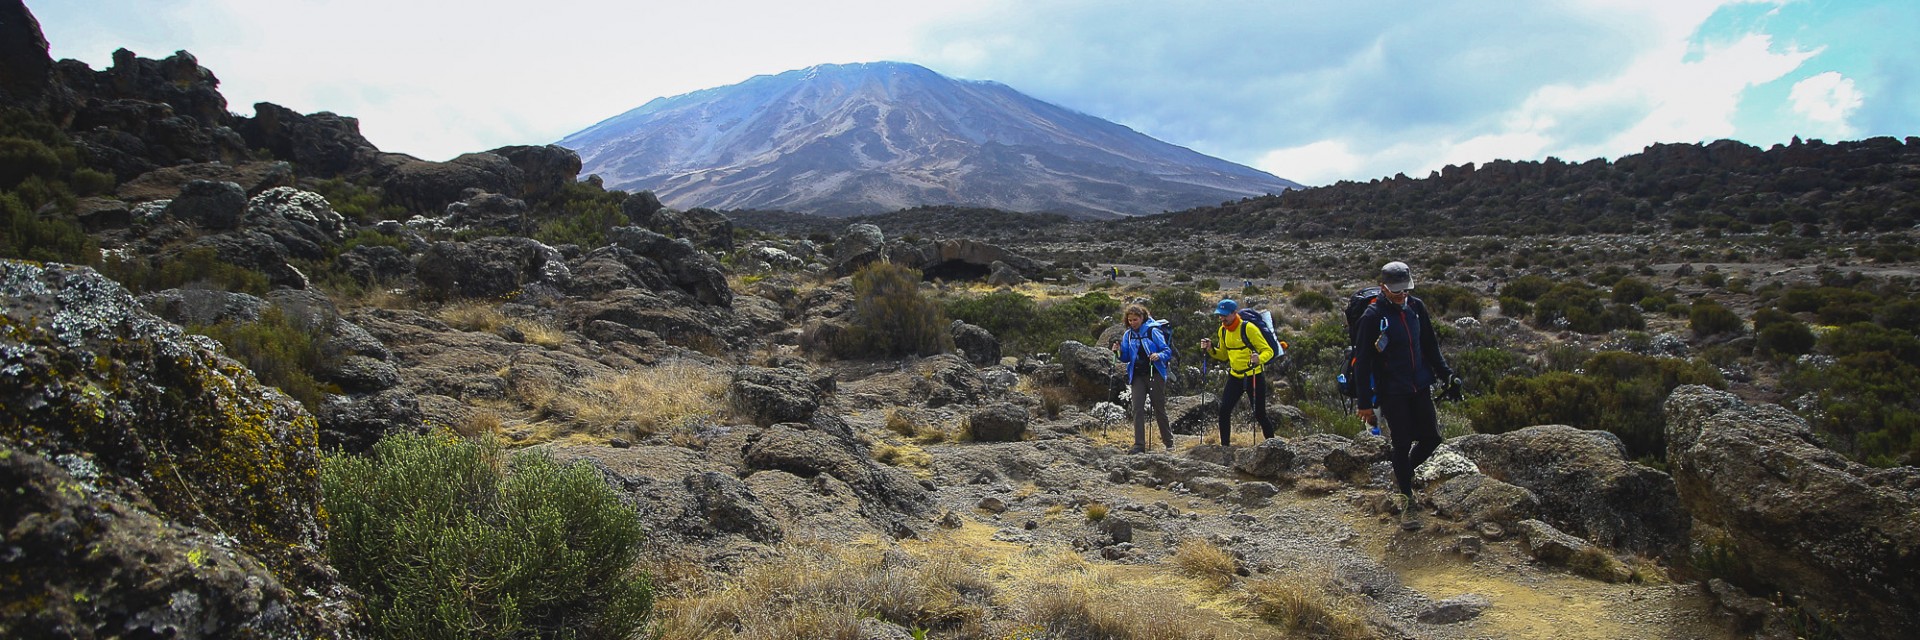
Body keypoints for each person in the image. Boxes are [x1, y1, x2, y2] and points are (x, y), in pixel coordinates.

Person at [1352, 261, 1460, 531]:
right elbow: (1362, 362)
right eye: (1395, 291)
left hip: (1419, 385)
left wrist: (1447, 374)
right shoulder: (1372, 317)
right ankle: (1407, 500)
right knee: (1401, 443)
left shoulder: (1416, 307)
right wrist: (1364, 403)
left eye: (1405, 290)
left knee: (1431, 438)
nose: (1401, 296)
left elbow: (1430, 346)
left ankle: (1402, 474)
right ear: (1383, 288)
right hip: (1392, 391)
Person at [1198, 299, 1275, 446]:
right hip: (1235, 376)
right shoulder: (1222, 330)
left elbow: (1268, 351)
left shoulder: (1249, 328)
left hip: (1254, 375)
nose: (1222, 318)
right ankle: (1225, 447)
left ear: (1234, 313)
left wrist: (1259, 358)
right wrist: (1211, 349)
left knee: (1259, 414)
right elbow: (1224, 355)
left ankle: (1273, 446)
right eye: (1220, 315)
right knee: (1224, 411)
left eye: (1225, 315)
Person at [1111, 304, 1174, 453]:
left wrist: (1158, 356)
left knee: (1159, 408)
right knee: (1137, 408)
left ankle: (1169, 442)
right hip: (1137, 375)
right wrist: (1118, 352)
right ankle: (1139, 445)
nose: (1133, 323)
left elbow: (1167, 350)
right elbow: (1126, 357)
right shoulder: (1128, 335)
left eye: (1136, 319)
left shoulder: (1153, 330)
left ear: (1142, 317)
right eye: (1130, 320)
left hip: (1155, 373)